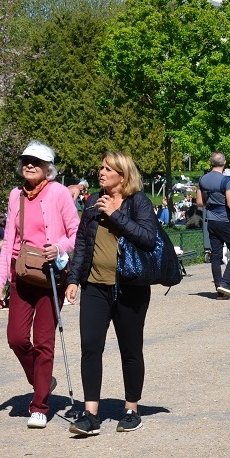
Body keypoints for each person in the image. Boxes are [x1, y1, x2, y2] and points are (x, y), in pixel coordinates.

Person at [64, 152, 157, 436]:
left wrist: (114, 215)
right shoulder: (92, 201)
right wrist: (73, 279)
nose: (101, 172)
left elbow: (147, 238)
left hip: (130, 288)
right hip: (94, 287)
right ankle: (91, 413)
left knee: (130, 350)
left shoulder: (138, 201)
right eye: (101, 168)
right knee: (91, 347)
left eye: (108, 169)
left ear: (123, 175)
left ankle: (131, 409)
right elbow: (82, 243)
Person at [0, 140, 80, 428]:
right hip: (22, 275)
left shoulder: (59, 194)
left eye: (37, 162)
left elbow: (76, 233)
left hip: (50, 276)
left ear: (48, 168)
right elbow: (9, 241)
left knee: (44, 341)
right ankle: (43, 380)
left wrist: (59, 247)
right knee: (16, 339)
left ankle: (39, 405)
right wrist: (0, 280)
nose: (30, 165)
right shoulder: (15, 195)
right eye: (26, 160)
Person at [195, 152, 230, 298]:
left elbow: (200, 203)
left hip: (211, 220)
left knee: (215, 254)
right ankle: (225, 282)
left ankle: (218, 288)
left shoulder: (203, 179)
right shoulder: (226, 181)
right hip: (225, 221)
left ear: (211, 163)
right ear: (224, 162)